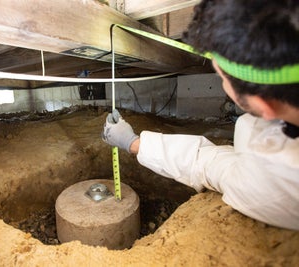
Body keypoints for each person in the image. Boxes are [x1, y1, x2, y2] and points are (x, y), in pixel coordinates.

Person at [102, 0, 299, 230]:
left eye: (222, 78)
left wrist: (134, 143)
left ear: (262, 103)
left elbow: (210, 165)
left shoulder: (275, 184)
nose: (222, 84)